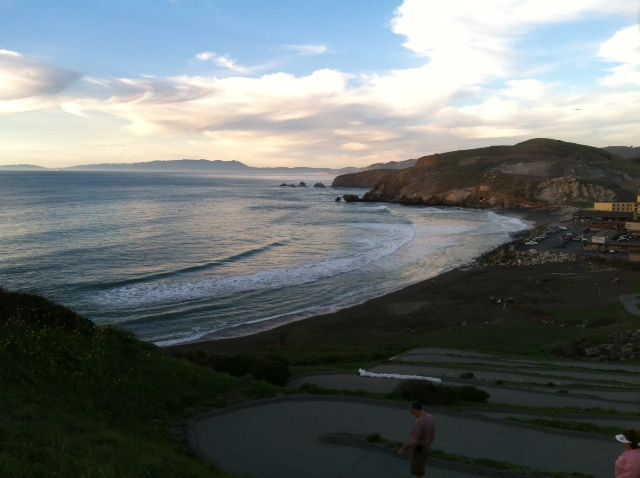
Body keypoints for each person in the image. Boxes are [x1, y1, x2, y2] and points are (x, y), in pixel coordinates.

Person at [398, 401, 435, 478]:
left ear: (415, 410)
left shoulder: (420, 421)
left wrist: (403, 448)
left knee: (418, 472)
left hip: (419, 449)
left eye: (411, 411)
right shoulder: (430, 417)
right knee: (422, 468)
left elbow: (414, 440)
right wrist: (429, 443)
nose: (411, 413)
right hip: (426, 447)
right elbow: (433, 433)